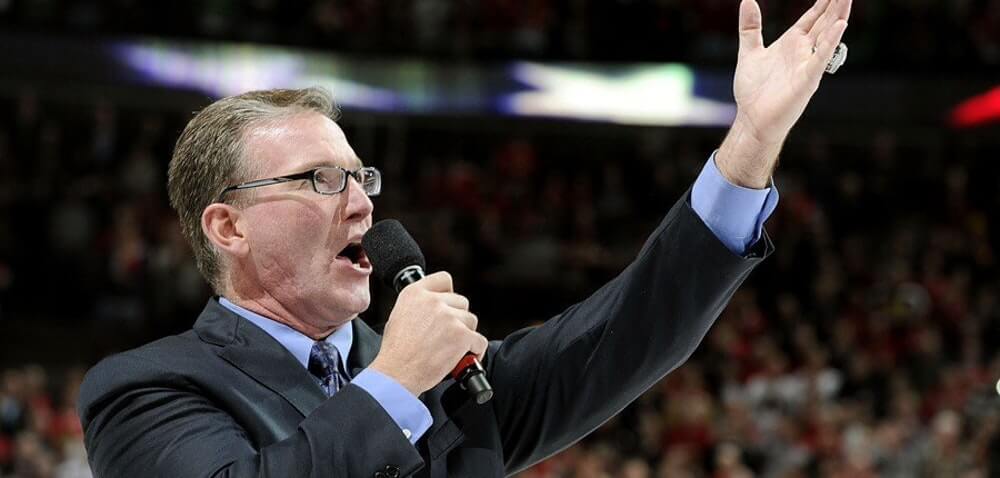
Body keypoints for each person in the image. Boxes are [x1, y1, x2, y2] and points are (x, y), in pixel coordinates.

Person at [77, 0, 852, 476]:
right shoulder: (148, 388)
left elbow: (629, 329)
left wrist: (750, 142)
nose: (360, 207)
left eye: (362, 179)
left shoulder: (455, 388)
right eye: (320, 180)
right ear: (228, 225)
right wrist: (394, 382)